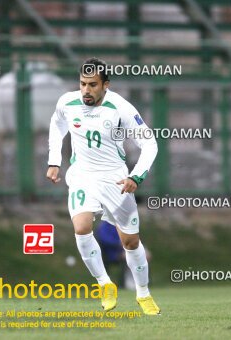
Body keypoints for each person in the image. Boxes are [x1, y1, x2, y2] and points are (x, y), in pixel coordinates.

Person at [46, 57, 161, 315]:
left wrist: (136, 177)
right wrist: (54, 161)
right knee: (82, 227)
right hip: (82, 176)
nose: (86, 90)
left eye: (93, 85)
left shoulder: (121, 108)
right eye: (83, 84)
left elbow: (150, 143)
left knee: (130, 242)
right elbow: (56, 126)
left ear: (105, 85)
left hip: (115, 179)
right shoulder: (67, 102)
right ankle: (104, 284)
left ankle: (143, 294)